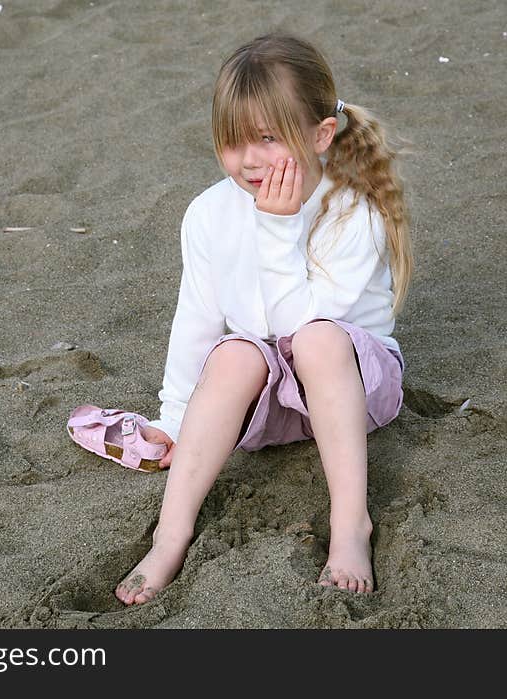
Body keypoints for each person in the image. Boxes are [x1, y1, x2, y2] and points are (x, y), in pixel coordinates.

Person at [115, 32, 412, 605]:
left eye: (269, 139)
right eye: (232, 141)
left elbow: (305, 331)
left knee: (320, 340)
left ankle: (351, 525)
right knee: (230, 353)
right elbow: (197, 315)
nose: (248, 159)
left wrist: (278, 227)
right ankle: (169, 534)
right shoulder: (207, 214)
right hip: (275, 399)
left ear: (321, 135)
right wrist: (175, 417)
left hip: (352, 388)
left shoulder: (352, 210)